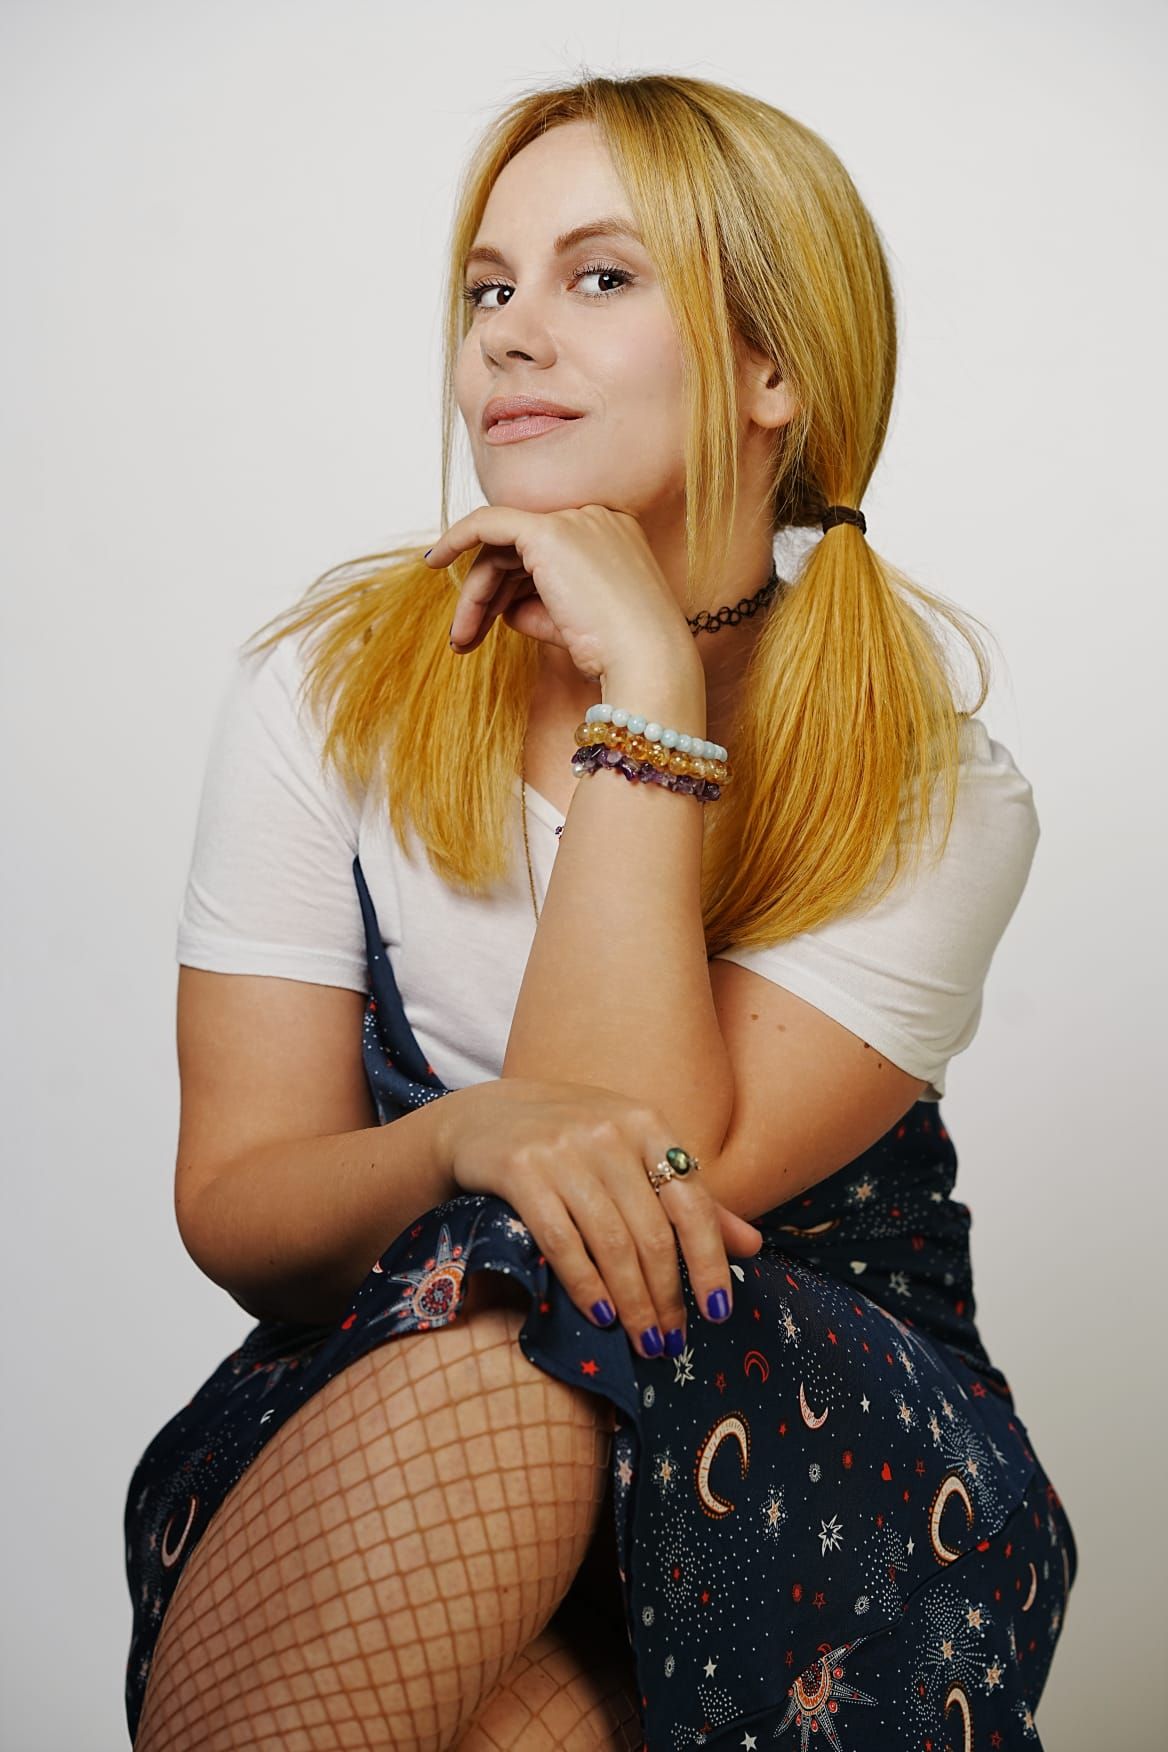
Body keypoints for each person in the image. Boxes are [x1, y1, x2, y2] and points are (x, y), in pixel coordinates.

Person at [123, 71, 1077, 1751]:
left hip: (810, 1481)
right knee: (484, 1346)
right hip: (411, 1394)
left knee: (522, 1292)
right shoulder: (326, 691)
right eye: (487, 287)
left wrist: (647, 689)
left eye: (601, 276)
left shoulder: (934, 785)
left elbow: (629, 1187)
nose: (508, 332)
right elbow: (241, 1201)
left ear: (774, 371)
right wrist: (455, 1137)